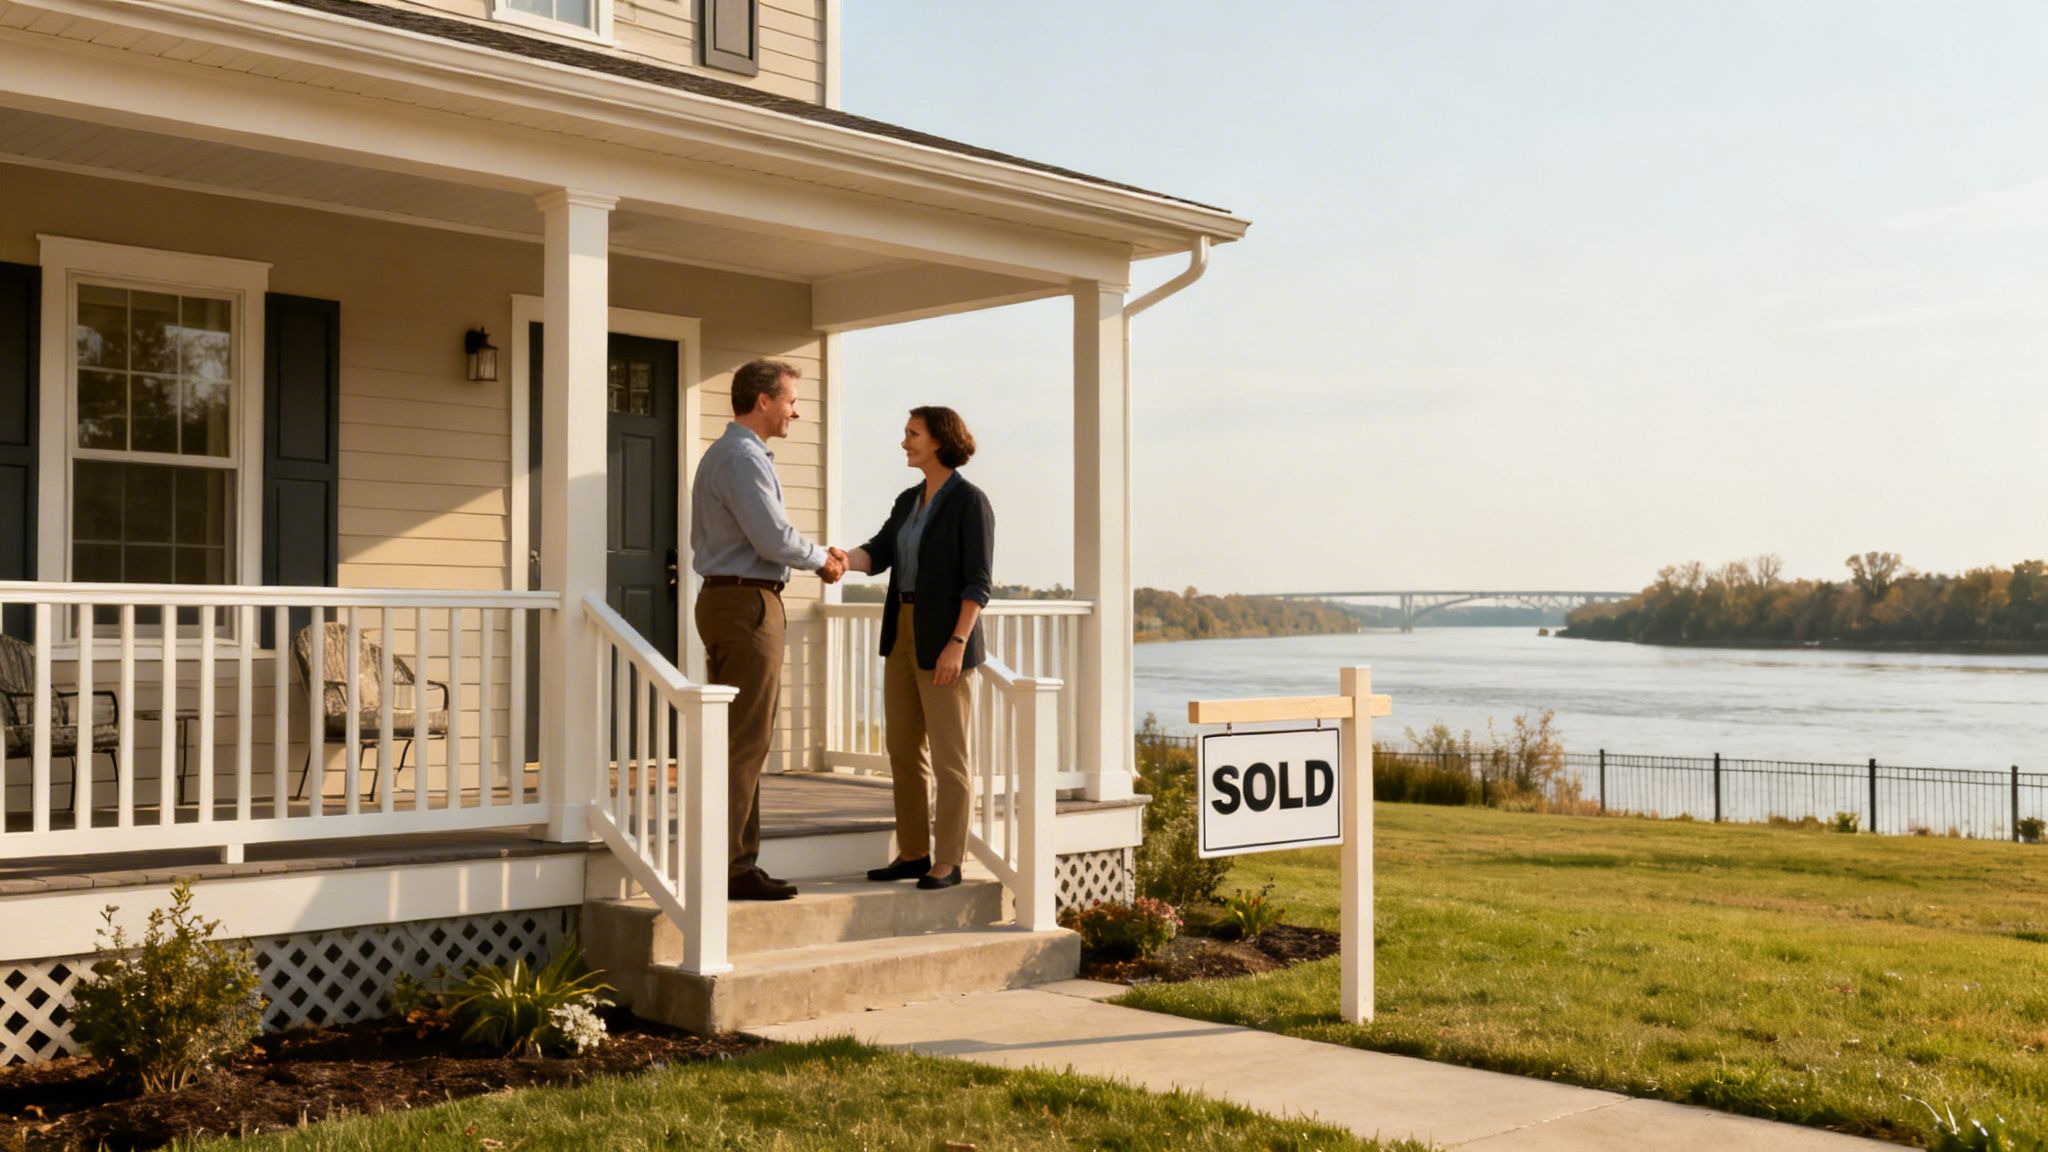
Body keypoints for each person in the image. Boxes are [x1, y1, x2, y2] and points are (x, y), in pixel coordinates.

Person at [692, 358, 846, 901]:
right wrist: (821, 558)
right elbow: (772, 538)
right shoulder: (741, 457)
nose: (796, 412)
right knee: (747, 740)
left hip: (734, 600)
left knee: (742, 738)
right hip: (746, 603)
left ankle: (737, 860)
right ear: (763, 401)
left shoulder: (731, 454)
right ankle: (729, 865)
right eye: (791, 400)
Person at [840, 407, 993, 890]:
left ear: (939, 440)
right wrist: (840, 559)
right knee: (903, 749)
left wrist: (957, 643)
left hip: (945, 637)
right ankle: (912, 852)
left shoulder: (971, 502)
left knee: (950, 757)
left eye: (912, 434)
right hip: (901, 633)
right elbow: (879, 552)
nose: (904, 442)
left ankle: (948, 860)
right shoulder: (908, 500)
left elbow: (978, 584)